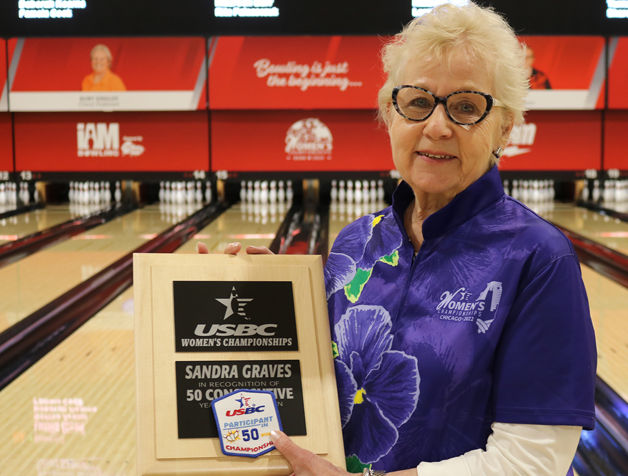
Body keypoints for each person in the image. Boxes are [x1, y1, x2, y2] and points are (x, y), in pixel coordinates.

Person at [198, 3, 596, 475]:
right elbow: (310, 388)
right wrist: (262, 306)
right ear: (391, 113)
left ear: (504, 128)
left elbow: (532, 465)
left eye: (467, 107)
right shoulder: (356, 242)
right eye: (417, 102)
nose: (437, 125)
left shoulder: (538, 257)